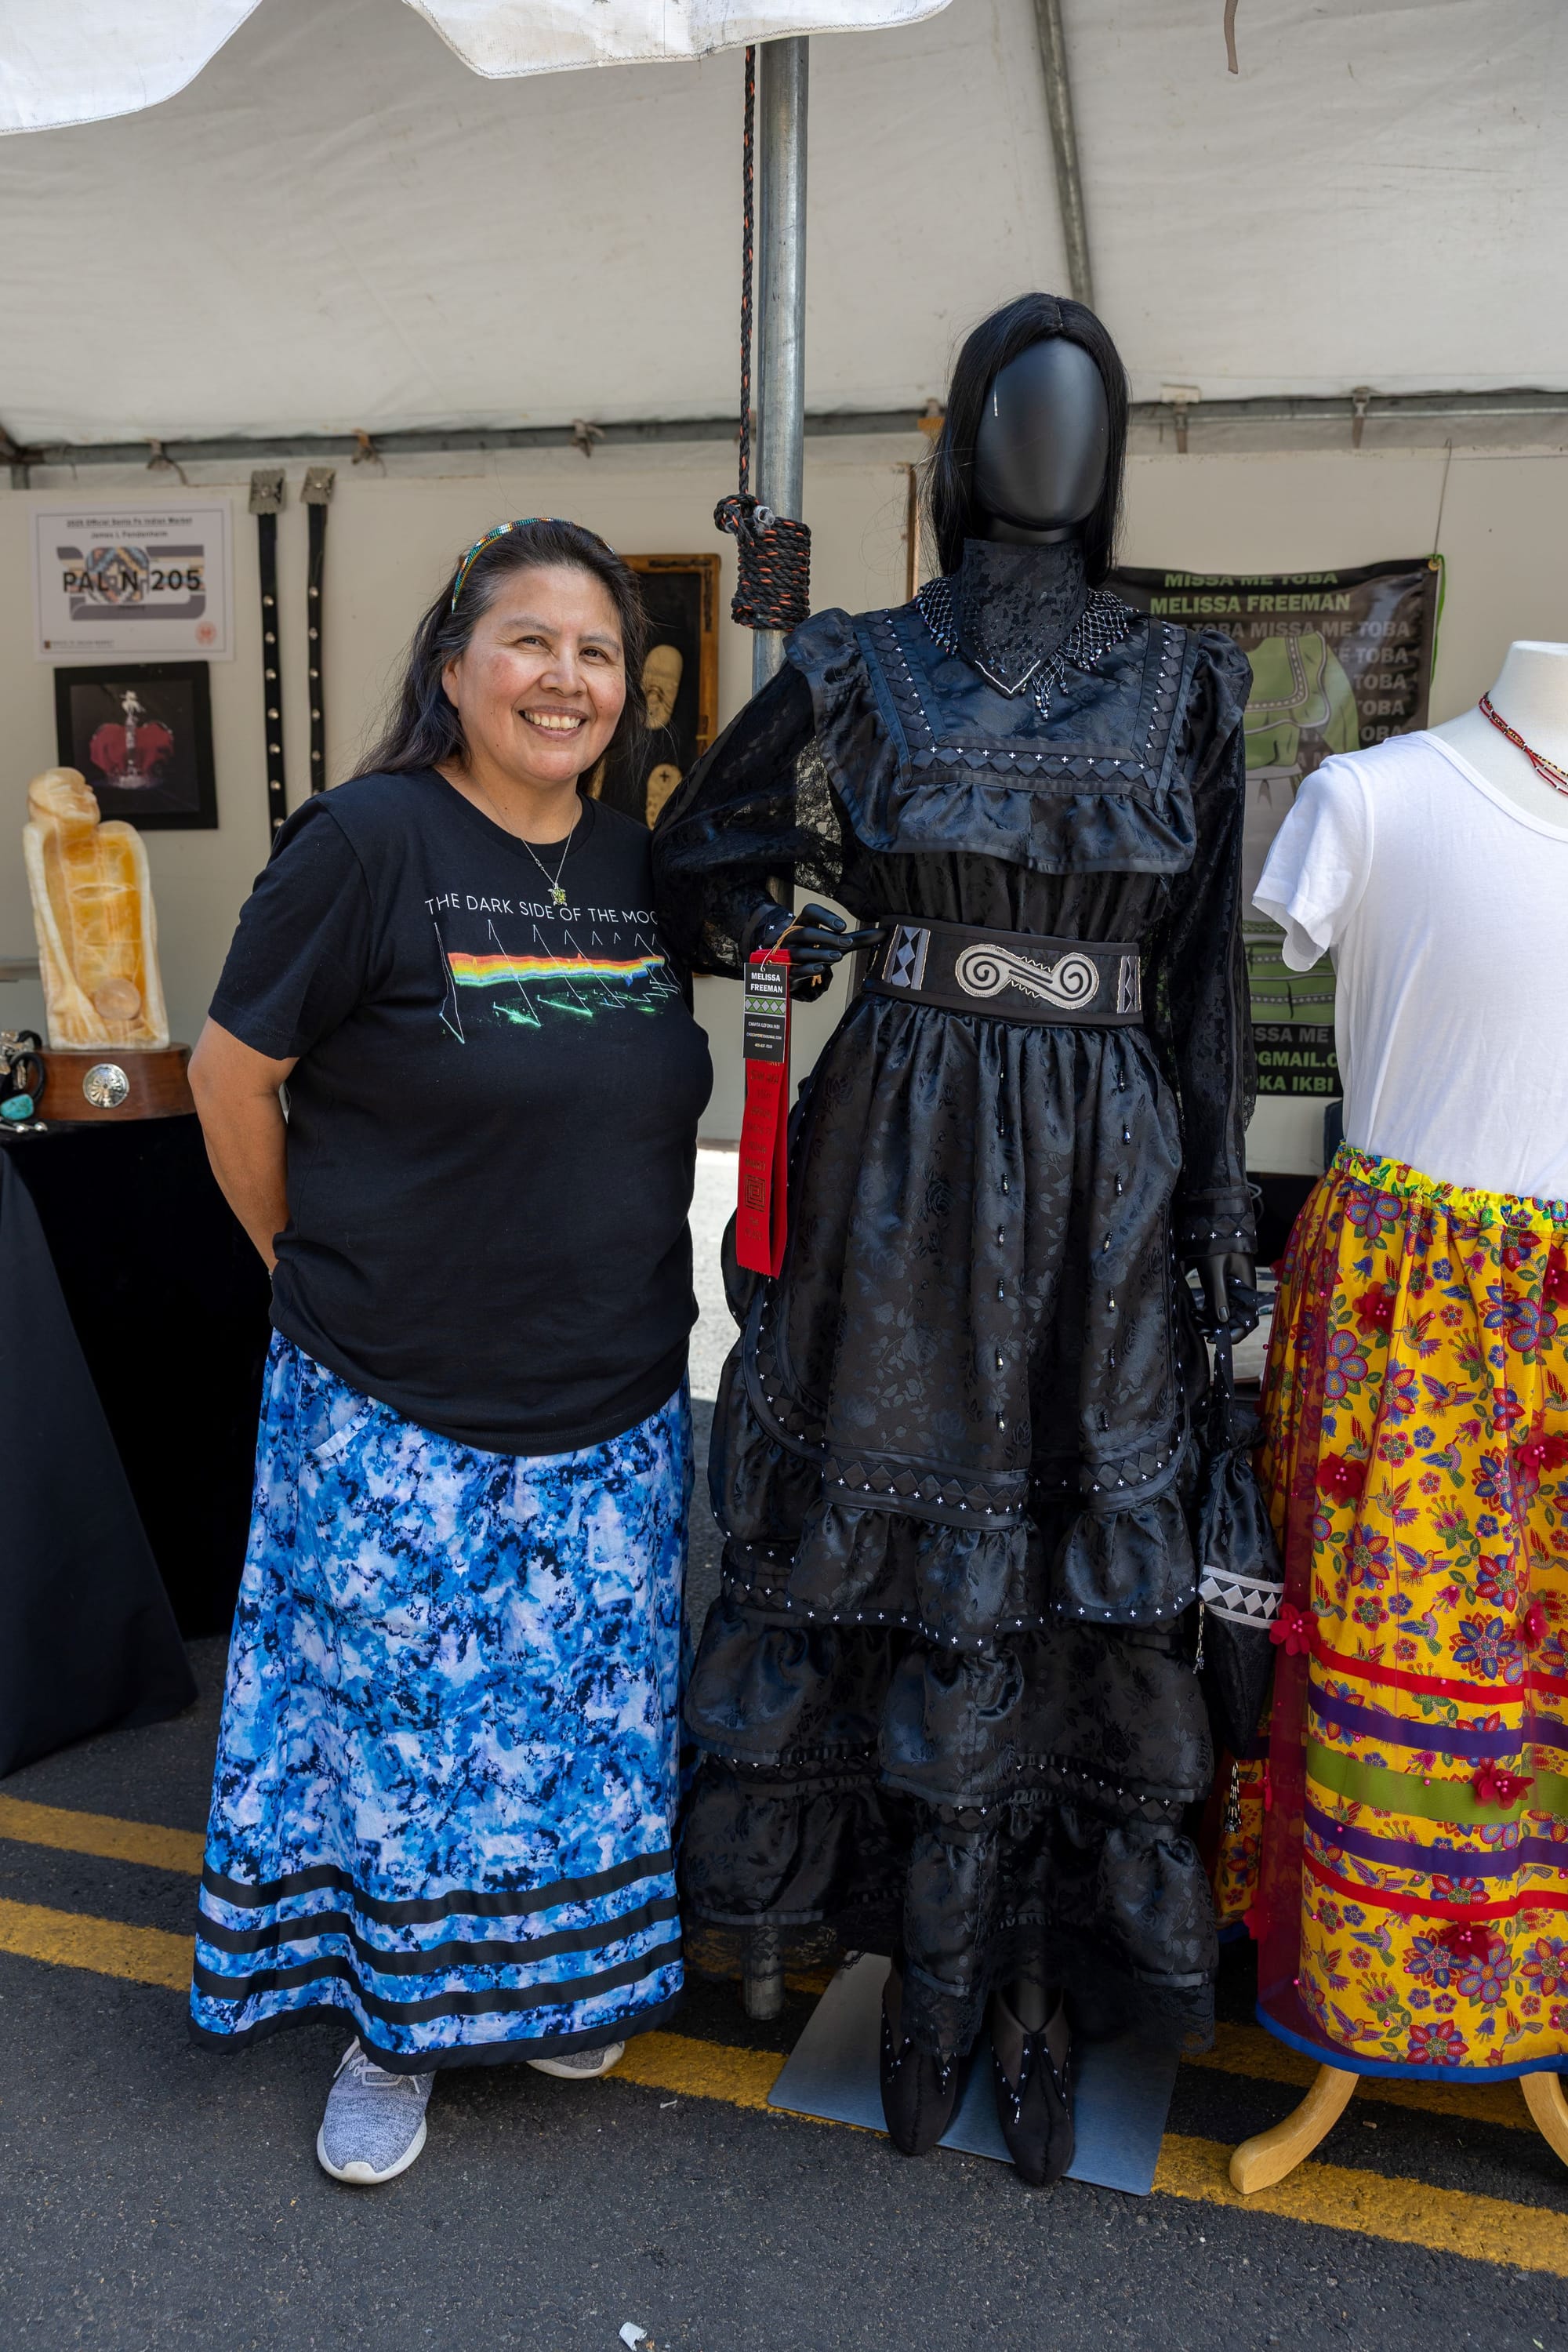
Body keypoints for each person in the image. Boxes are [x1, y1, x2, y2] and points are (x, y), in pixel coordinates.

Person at [652, 296, 1254, 2187]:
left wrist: (1218, 1207)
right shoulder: (859, 662)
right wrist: (794, 927)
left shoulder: (1188, 684)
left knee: (1073, 1566)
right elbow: (700, 862)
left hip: (1105, 1168)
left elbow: (1205, 980)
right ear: (964, 435)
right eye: (1018, 405)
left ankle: (1032, 1987)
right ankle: (917, 1973)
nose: (1048, 443)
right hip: (899, 1150)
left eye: (1082, 411)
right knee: (898, 1548)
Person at [187, 517, 713, 2185]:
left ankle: (554, 1989)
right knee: (404, 1746)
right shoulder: (367, 843)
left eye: (596, 652)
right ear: (453, 664)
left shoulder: (638, 868)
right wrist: (302, 1266)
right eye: (530, 641)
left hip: (613, 1392)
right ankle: (392, 2032)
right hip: (395, 1400)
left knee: (576, 1736)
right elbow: (228, 1076)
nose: (566, 678)